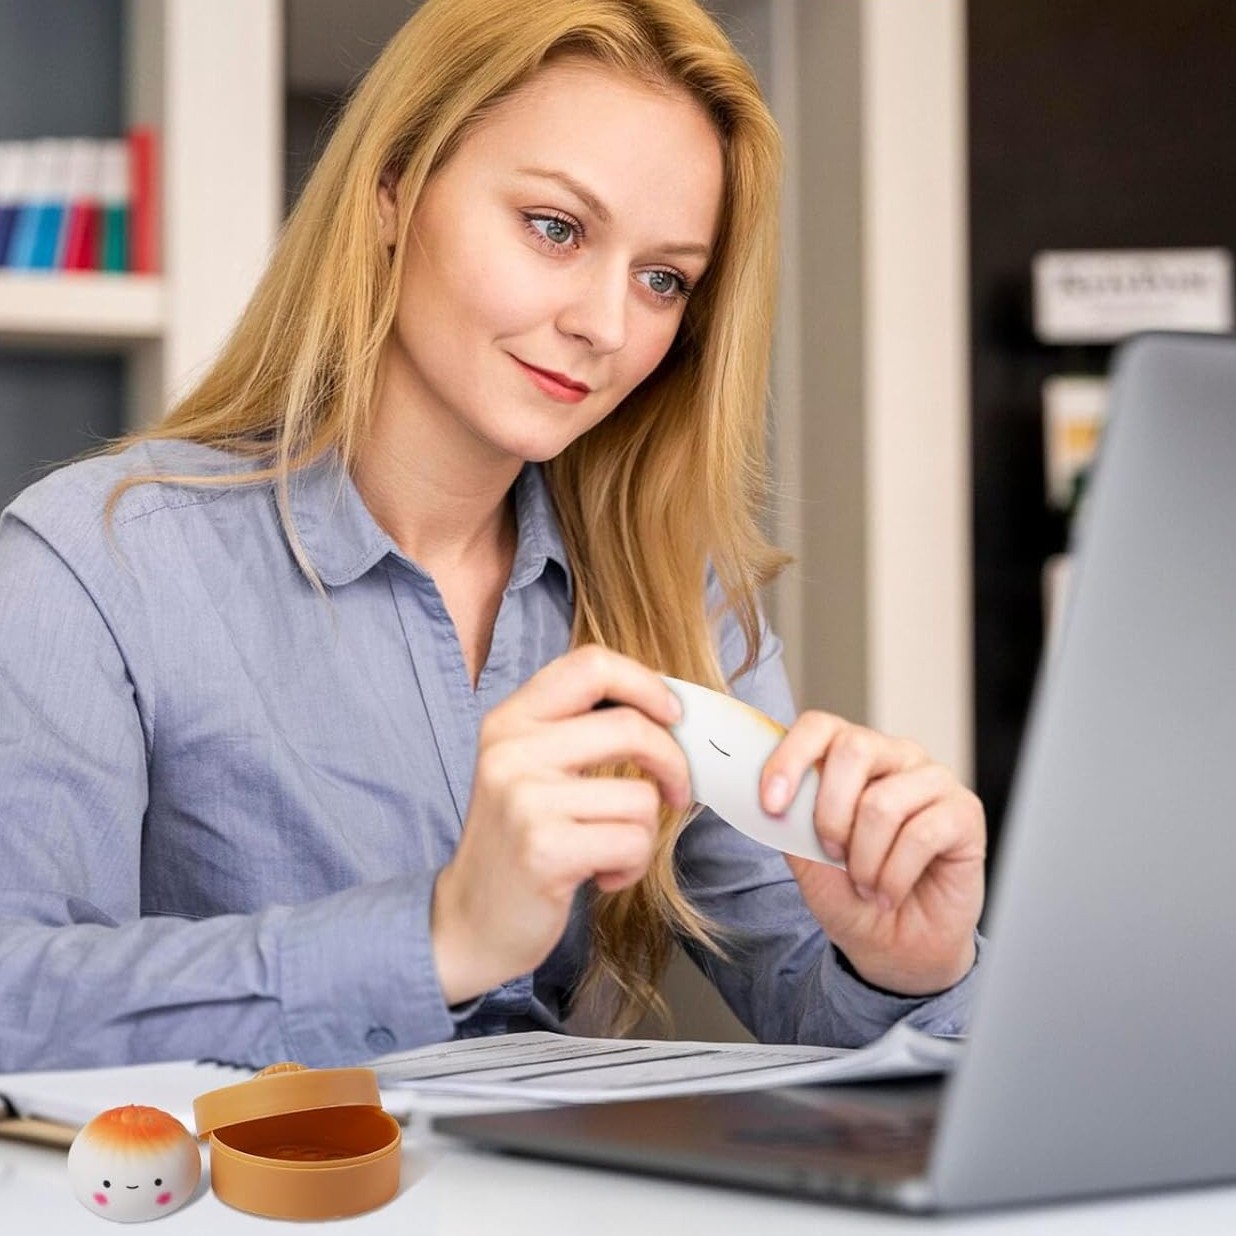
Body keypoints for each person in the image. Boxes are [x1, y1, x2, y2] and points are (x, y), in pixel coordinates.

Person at [0, 0, 985, 1072]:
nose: (606, 326)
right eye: (556, 228)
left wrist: (905, 964)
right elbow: (16, 998)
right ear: (394, 187)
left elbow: (809, 983)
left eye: (664, 280)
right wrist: (439, 938)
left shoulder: (667, 587)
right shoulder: (98, 564)